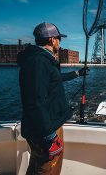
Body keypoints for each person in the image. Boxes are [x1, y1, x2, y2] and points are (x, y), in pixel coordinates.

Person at [17, 22, 88, 175]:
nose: (60, 42)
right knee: (48, 168)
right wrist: (50, 136)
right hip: (46, 129)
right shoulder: (39, 62)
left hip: (43, 126)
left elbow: (54, 79)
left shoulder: (41, 59)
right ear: (52, 40)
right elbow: (35, 101)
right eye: (59, 39)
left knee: (37, 164)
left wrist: (77, 73)